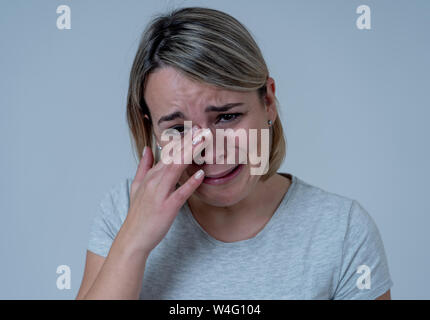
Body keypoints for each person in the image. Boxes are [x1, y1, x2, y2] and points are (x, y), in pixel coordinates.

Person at [76, 6, 393, 300]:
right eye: (179, 129)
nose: (208, 151)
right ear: (153, 130)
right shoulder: (122, 214)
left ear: (267, 102)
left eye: (226, 117)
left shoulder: (342, 230)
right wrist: (133, 242)